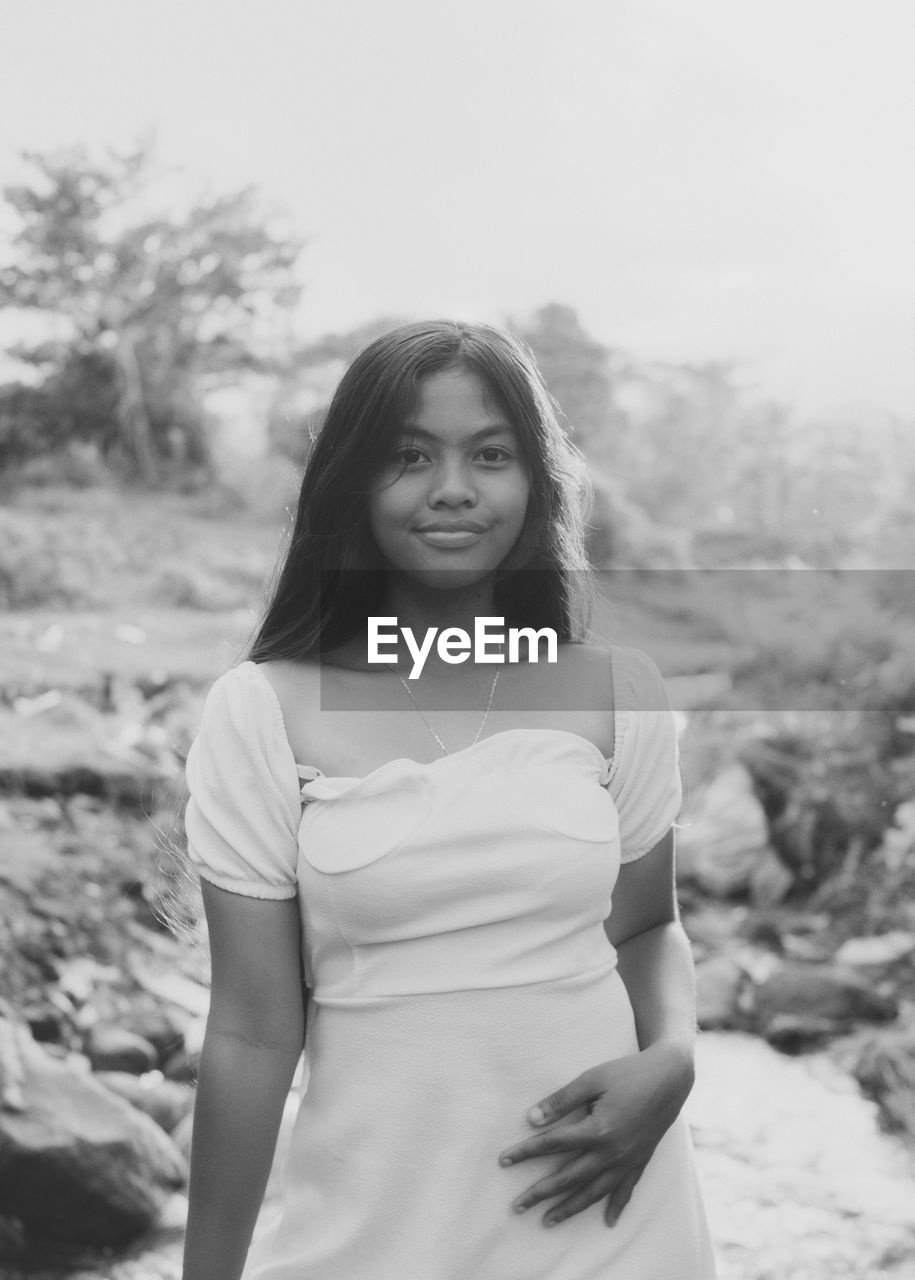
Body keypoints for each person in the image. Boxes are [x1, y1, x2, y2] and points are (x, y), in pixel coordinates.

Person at [180, 320, 717, 1280]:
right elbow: (252, 1032)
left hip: (611, 1221)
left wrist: (671, 1058)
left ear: (535, 482)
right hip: (376, 1228)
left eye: (492, 455)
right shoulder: (261, 710)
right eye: (410, 456)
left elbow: (645, 931)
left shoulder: (615, 692)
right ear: (350, 483)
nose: (455, 489)